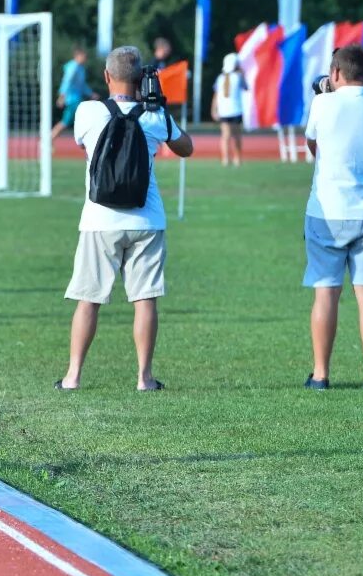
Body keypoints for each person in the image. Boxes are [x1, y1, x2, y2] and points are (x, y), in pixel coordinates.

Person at [55, 46, 194, 392]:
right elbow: (186, 148)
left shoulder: (88, 111)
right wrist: (159, 107)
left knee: (89, 298)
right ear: (142, 79)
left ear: (106, 76)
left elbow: (81, 144)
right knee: (145, 299)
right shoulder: (154, 115)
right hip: (146, 219)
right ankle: (144, 378)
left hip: (99, 219)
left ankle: (73, 376)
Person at [302, 44, 363, 390]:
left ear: (336, 73)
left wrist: (324, 96)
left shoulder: (322, 103)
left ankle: (321, 373)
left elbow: (314, 147)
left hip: (327, 211)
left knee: (325, 293)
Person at [51, 45, 92, 141]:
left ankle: (49, 139)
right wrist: (62, 96)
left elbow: (82, 85)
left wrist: (90, 93)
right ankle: (48, 139)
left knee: (70, 121)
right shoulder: (73, 67)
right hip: (72, 99)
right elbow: (67, 81)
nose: (85, 59)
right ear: (78, 56)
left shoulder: (80, 68)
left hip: (76, 98)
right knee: (68, 121)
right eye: (84, 56)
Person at [210, 52, 245, 166]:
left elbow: (215, 95)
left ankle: (226, 159)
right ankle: (237, 159)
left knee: (225, 136)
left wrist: (214, 109)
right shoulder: (239, 77)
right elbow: (246, 87)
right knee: (237, 135)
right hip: (236, 110)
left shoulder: (220, 78)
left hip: (224, 111)